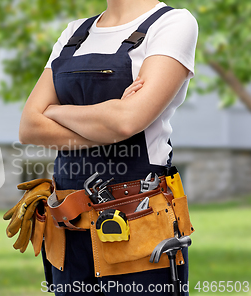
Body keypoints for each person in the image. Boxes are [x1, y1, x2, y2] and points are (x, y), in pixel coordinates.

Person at [19, 0, 198, 295]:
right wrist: (110, 119)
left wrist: (55, 111)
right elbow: (28, 126)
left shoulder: (172, 23)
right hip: (68, 232)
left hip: (139, 228)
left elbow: (127, 122)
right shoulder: (74, 33)